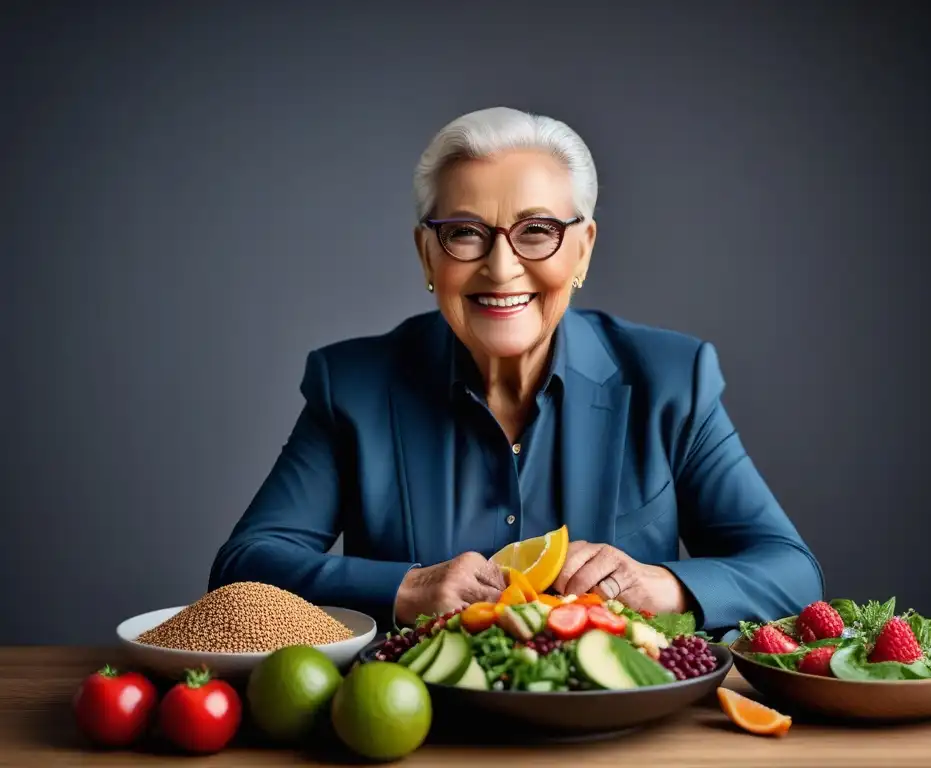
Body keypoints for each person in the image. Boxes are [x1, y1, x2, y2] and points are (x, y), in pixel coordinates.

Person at [208, 106, 824, 635]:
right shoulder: (352, 385)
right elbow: (244, 567)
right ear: (427, 253)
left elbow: (791, 572)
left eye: (537, 231)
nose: (501, 268)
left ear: (582, 248)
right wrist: (405, 589)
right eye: (465, 234)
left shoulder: (672, 379)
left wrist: (662, 585)